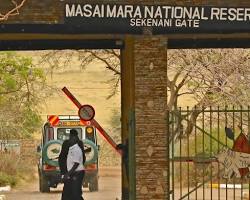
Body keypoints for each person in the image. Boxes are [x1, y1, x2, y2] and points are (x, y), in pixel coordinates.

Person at [59, 129, 86, 200]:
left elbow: (62, 158)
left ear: (72, 137)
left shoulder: (73, 145)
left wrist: (65, 173)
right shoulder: (79, 143)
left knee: (73, 193)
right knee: (73, 192)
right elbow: (83, 158)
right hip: (70, 172)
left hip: (73, 172)